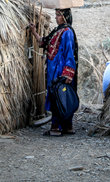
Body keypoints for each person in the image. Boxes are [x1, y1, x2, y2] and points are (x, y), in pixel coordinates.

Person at [30, 8, 78, 136]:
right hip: (53, 69)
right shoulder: (57, 31)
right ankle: (66, 127)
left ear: (65, 17)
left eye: (59, 15)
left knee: (60, 96)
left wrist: (68, 73)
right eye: (56, 15)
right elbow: (44, 42)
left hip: (61, 70)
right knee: (58, 96)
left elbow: (69, 53)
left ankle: (57, 127)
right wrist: (34, 32)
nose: (56, 18)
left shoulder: (67, 32)